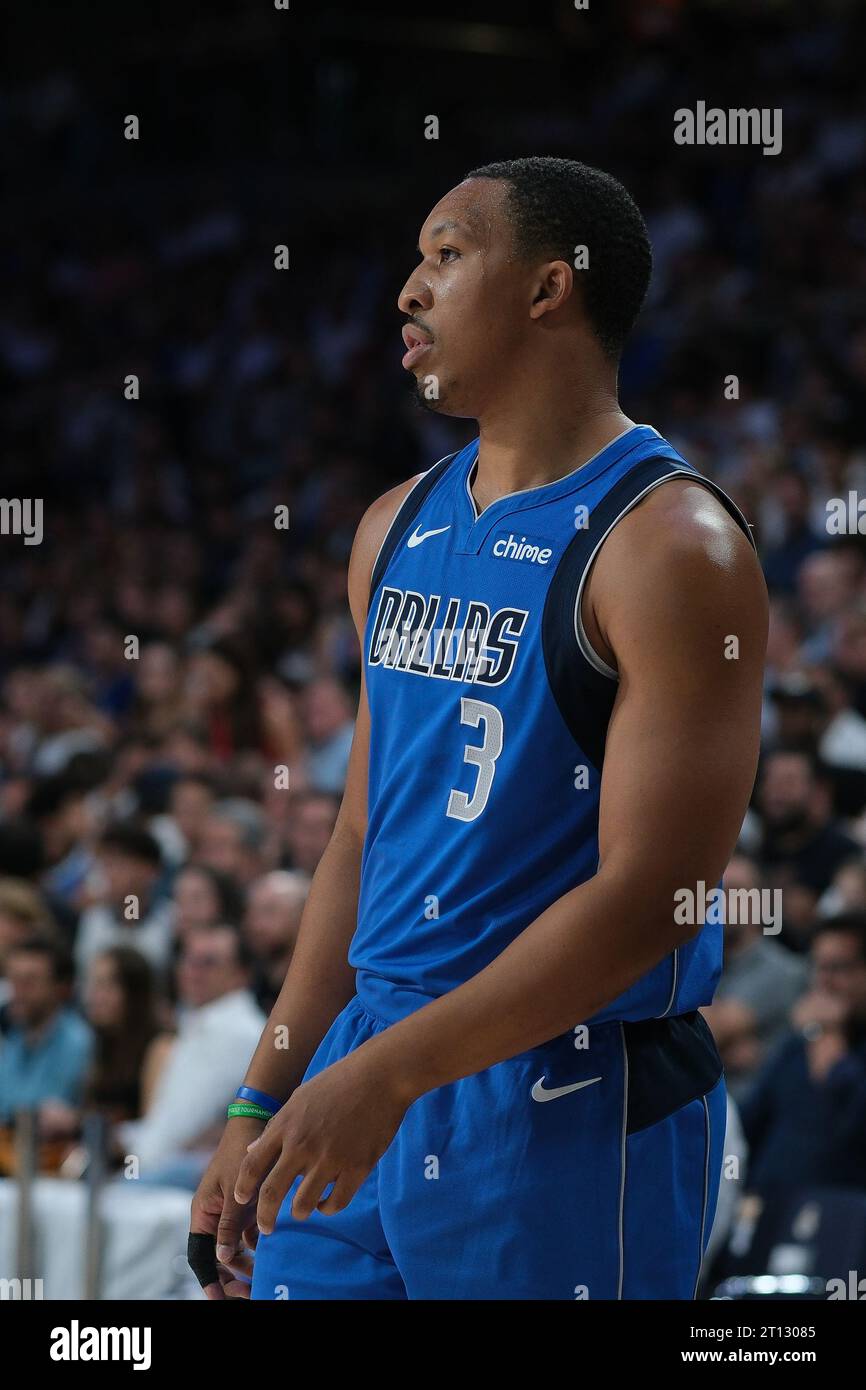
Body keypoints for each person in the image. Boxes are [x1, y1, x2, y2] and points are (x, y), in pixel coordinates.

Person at [190, 156, 767, 1301]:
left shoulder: (667, 545)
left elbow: (656, 895)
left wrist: (393, 1076)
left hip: (563, 1092)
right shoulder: (390, 526)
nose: (408, 288)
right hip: (369, 1057)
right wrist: (264, 1092)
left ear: (550, 289)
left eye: (446, 255)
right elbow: (359, 837)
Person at [118, 925, 264, 1183]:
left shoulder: (239, 1030)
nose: (192, 971)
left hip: (192, 1174)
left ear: (241, 974)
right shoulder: (196, 1021)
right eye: (188, 959)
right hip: (159, 1163)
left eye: (208, 962)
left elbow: (191, 1125)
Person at [738, 912, 866, 1193]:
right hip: (766, 1209)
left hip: (841, 1217)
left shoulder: (819, 1033)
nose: (824, 981)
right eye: (818, 967)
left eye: (837, 968)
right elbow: (749, 1120)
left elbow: (853, 1122)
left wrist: (826, 1036)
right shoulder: (799, 1043)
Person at [0, 938, 93, 1132]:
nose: (18, 991)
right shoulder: (13, 1036)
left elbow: (39, 1112)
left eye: (30, 981)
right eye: (14, 980)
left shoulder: (78, 1041)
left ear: (60, 988)